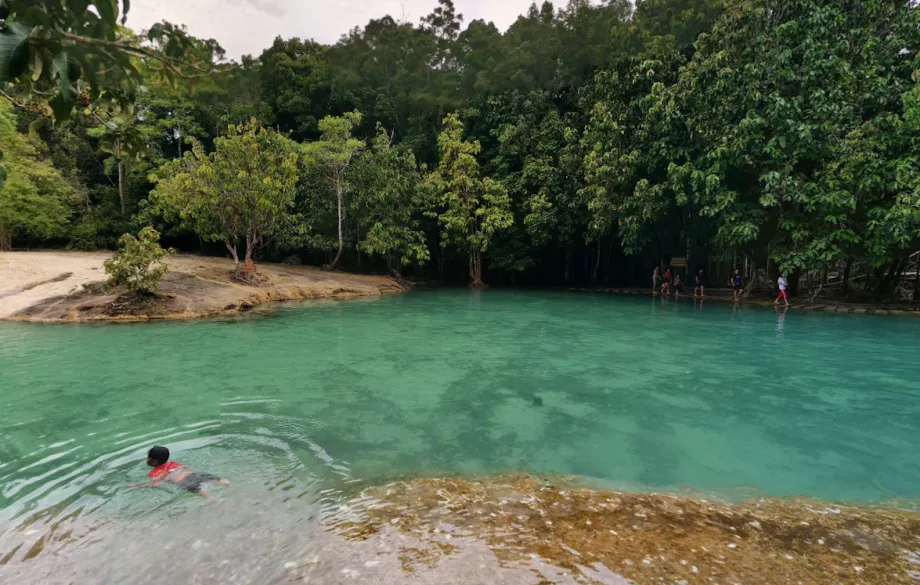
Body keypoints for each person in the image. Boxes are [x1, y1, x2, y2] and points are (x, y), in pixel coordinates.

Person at [132, 446, 229, 502]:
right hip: (195, 474)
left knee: (201, 492)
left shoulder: (153, 472)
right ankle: (227, 484)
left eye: (148, 457)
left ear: (154, 461)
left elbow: (156, 484)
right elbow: (186, 467)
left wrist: (138, 485)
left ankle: (213, 499)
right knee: (215, 480)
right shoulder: (173, 463)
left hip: (184, 481)